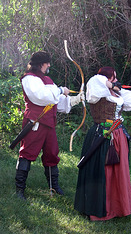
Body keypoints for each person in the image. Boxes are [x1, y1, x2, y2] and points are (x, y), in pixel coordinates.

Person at [74, 66, 131, 221]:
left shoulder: (116, 93)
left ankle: (116, 207)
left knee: (116, 170)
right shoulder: (96, 86)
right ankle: (97, 209)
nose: (116, 81)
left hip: (118, 135)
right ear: (107, 78)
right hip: (101, 134)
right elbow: (97, 79)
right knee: (101, 170)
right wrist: (110, 84)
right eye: (113, 77)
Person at [15, 51, 84, 200]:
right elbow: (41, 96)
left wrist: (76, 99)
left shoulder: (47, 80)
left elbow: (56, 101)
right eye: (47, 63)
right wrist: (59, 89)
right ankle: (20, 189)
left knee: (51, 154)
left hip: (49, 125)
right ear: (41, 64)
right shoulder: (29, 79)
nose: (49, 65)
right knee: (27, 153)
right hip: (35, 123)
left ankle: (54, 186)